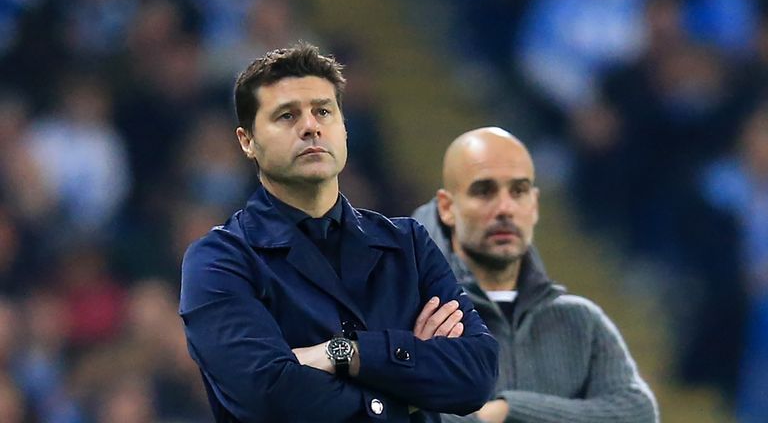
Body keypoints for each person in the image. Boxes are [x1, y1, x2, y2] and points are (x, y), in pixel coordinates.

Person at [179, 43, 498, 422]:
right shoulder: (219, 260)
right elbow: (269, 396)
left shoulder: (408, 244)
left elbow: (476, 375)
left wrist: (340, 353)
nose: (310, 126)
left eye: (323, 111)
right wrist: (405, 388)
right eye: (286, 116)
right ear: (247, 141)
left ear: (343, 128)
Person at [412, 127, 658, 422]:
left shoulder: (581, 321)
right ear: (447, 207)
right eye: (484, 190)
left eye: (519, 191)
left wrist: (506, 411)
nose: (505, 208)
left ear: (535, 204)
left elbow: (638, 413)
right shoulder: (411, 312)